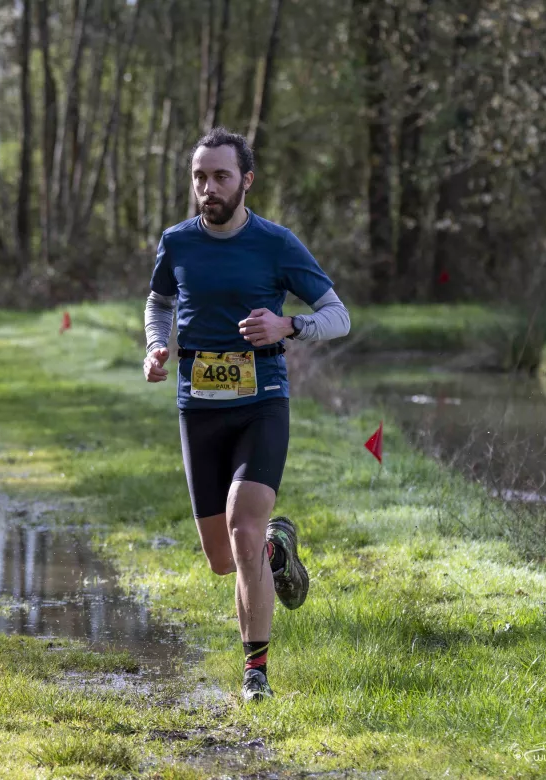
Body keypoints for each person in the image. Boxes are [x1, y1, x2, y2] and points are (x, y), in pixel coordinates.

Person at [142, 127, 351, 702]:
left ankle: (255, 673)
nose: (208, 187)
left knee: (243, 527)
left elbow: (338, 316)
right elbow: (158, 302)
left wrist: (289, 326)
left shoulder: (275, 243)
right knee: (222, 559)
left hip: (261, 404)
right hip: (198, 408)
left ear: (246, 180)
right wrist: (156, 346)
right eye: (199, 177)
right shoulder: (177, 243)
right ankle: (276, 551)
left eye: (220, 176)